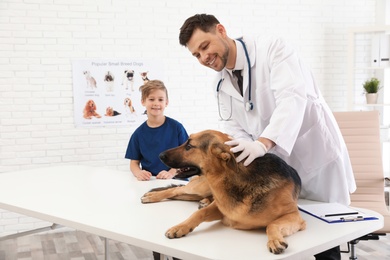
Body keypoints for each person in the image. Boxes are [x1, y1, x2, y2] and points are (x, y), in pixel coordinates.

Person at [178, 14, 356, 260]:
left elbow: (292, 98)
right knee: (284, 238)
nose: (203, 57)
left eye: (205, 46)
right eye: (196, 55)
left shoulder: (272, 49)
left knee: (324, 241)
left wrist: (262, 143)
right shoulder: (220, 84)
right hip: (274, 172)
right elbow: (231, 124)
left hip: (315, 162)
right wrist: (241, 149)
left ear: (220, 30)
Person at [125, 80, 189, 181]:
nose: (156, 103)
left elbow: (188, 157)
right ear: (143, 102)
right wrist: (139, 173)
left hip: (177, 182)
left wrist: (171, 173)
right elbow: (134, 163)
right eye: (151, 99)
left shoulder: (177, 128)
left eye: (160, 99)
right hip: (151, 182)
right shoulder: (138, 134)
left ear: (166, 102)